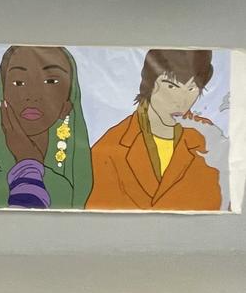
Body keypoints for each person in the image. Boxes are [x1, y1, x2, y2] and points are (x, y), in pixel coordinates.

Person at [0, 46, 93, 209]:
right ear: (2, 96)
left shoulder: (87, 183)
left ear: (68, 103)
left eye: (50, 82)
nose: (32, 95)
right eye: (18, 83)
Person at [86, 49, 221, 211]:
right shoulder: (109, 148)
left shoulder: (210, 139)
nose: (181, 101)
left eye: (192, 89)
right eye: (171, 86)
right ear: (150, 84)